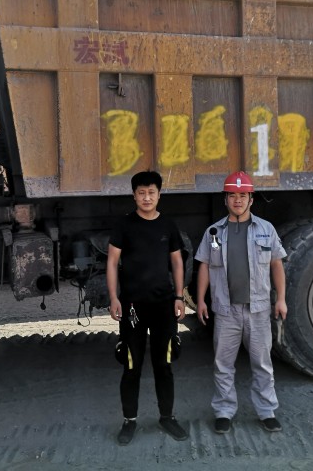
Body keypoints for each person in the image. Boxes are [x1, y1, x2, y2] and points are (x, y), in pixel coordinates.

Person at [194, 171, 288, 434]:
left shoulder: (266, 229)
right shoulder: (214, 232)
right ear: (225, 199)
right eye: (233, 195)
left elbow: (276, 264)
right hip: (226, 311)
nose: (238, 200)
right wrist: (200, 300)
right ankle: (224, 411)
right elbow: (204, 266)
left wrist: (281, 299)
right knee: (223, 365)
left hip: (258, 309)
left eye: (243, 195)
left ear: (251, 199)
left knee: (262, 363)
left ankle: (267, 411)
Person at [106, 170, 188, 445]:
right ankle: (129, 421)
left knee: (164, 363)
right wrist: (114, 297)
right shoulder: (124, 225)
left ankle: (167, 417)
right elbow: (112, 262)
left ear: (159, 194)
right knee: (132, 364)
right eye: (141, 193)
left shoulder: (168, 225)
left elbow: (177, 262)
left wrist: (179, 297)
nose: (146, 197)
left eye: (151, 192)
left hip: (164, 305)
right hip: (132, 306)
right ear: (134, 196)